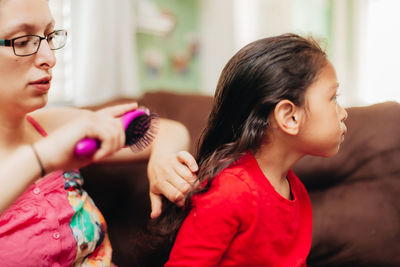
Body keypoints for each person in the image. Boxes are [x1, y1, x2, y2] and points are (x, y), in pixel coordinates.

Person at [0, 0, 197, 266]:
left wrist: (162, 161)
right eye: (22, 41)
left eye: (48, 36)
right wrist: (41, 158)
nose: (50, 58)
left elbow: (166, 129)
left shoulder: (53, 127)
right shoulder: (53, 143)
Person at [160, 34, 348, 266]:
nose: (343, 113)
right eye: (334, 98)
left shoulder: (297, 193)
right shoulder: (229, 192)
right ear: (289, 116)